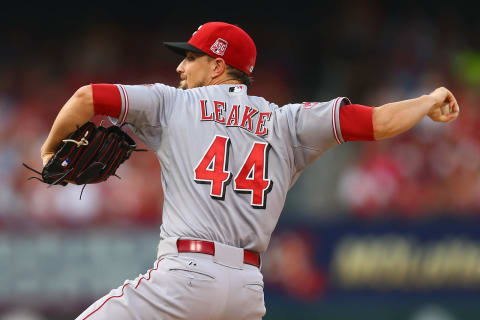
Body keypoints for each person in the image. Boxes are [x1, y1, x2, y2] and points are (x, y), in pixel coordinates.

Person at [40, 22, 459, 320]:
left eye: (191, 57)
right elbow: (376, 123)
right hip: (246, 292)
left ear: (218, 66)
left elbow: (86, 96)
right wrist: (426, 101)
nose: (180, 68)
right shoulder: (286, 122)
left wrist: (47, 151)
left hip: (185, 275)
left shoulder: (172, 103)